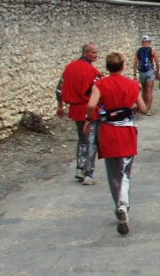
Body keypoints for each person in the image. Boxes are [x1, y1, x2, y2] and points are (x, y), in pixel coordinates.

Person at [84, 51, 147, 234]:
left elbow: (91, 105)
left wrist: (89, 119)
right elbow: (143, 108)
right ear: (122, 66)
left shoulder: (100, 84)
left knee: (113, 173)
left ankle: (119, 205)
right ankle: (123, 205)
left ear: (107, 66)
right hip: (127, 130)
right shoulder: (133, 85)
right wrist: (127, 110)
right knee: (125, 171)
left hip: (108, 131)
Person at [56, 43, 101, 185]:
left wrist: (60, 106)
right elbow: (98, 92)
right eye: (93, 53)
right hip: (89, 109)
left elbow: (59, 89)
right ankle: (88, 174)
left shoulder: (69, 68)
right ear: (85, 53)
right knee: (91, 141)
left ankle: (80, 169)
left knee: (82, 140)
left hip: (75, 109)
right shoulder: (92, 72)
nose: (96, 55)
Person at [133, 35, 159, 114]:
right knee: (149, 91)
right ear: (149, 42)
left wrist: (134, 74)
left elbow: (135, 63)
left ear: (142, 42)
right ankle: (149, 109)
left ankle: (143, 108)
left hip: (142, 72)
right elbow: (157, 63)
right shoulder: (152, 50)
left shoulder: (138, 51)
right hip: (149, 71)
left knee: (144, 90)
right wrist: (157, 73)